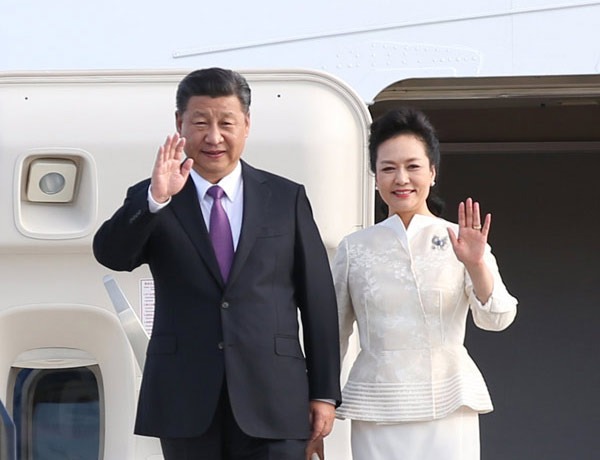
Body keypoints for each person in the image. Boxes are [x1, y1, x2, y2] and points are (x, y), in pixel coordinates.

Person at [93, 67, 341, 460]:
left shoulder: (285, 198)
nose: (213, 137)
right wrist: (156, 201)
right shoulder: (154, 196)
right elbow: (111, 255)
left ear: (246, 124)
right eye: (200, 122)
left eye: (226, 122)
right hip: (185, 399)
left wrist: (325, 393)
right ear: (180, 124)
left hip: (275, 399)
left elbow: (318, 302)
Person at [332, 107, 518, 460]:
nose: (401, 178)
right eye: (388, 168)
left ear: (432, 173)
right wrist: (320, 401)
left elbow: (498, 318)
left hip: (448, 401)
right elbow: (332, 335)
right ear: (374, 177)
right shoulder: (354, 248)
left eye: (413, 166)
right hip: (377, 405)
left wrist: (476, 264)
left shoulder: (462, 239)